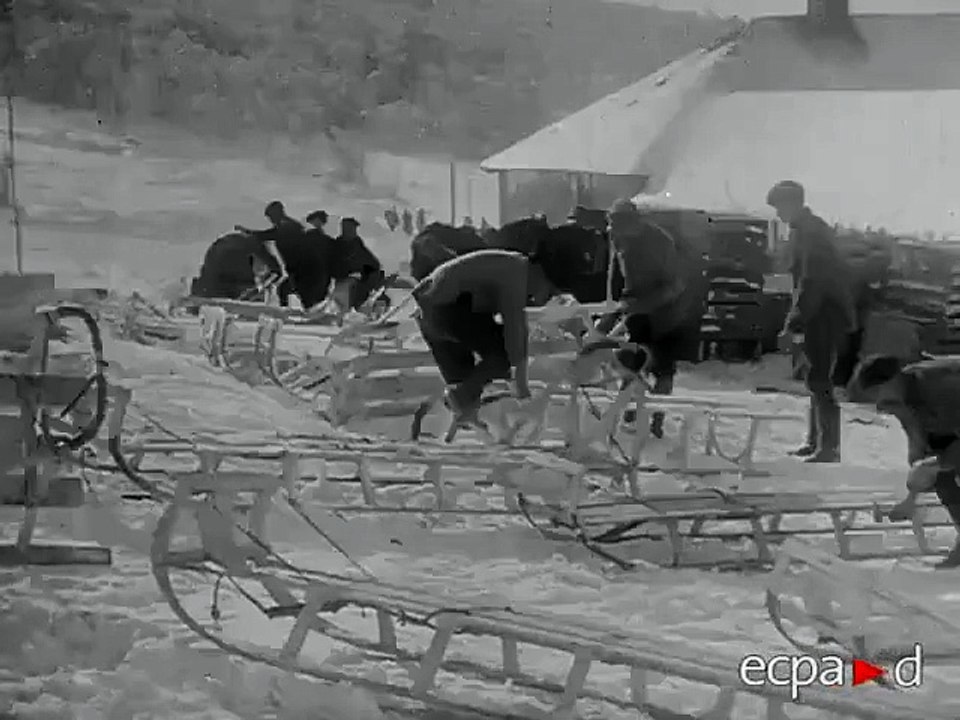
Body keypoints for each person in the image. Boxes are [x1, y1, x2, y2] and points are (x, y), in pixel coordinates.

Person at [593, 199, 703, 438]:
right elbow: (616, 280)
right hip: (636, 310)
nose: (613, 231)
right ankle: (629, 413)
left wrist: (643, 305)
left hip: (668, 313)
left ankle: (656, 421)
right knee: (630, 361)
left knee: (662, 369)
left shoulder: (658, 242)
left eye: (617, 225)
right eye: (611, 225)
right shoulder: (618, 238)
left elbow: (675, 285)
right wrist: (610, 313)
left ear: (632, 222)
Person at [767, 181, 857, 462]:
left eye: (780, 208)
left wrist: (795, 320)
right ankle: (816, 440)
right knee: (813, 376)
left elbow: (812, 282)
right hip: (818, 311)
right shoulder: (804, 231)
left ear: (793, 204)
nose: (779, 215)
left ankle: (828, 446)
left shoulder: (812, 233)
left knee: (820, 378)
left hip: (824, 313)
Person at [413, 249, 556, 422]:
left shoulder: (512, 266)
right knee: (502, 356)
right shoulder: (516, 273)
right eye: (549, 293)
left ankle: (465, 408)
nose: (542, 300)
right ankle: (462, 397)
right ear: (540, 275)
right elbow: (515, 329)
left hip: (428, 310)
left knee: (467, 386)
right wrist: (522, 388)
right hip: (448, 306)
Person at [848, 354, 960, 568]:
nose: (878, 402)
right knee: (939, 475)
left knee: (942, 465)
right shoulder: (898, 396)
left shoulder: (943, 388)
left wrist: (937, 463)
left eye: (878, 393)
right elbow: (918, 441)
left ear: (893, 380)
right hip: (949, 424)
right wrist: (912, 495)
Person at [333, 217, 384, 310]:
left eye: (354, 229)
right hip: (344, 277)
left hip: (359, 276)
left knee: (375, 275)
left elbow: (369, 259)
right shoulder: (338, 245)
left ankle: (369, 303)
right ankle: (359, 306)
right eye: (351, 228)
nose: (353, 231)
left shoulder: (356, 243)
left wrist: (372, 268)